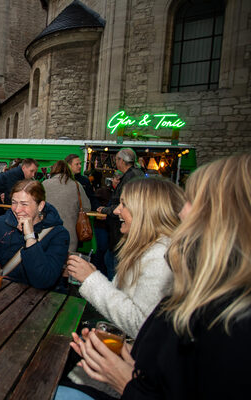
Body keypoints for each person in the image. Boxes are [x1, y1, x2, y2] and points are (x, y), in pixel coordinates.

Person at [68, 153, 251, 399]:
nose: (183, 212)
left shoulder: (231, 317)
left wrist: (127, 381)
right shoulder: (206, 286)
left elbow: (142, 324)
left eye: (193, 201)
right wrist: (123, 355)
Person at [56, 177, 184, 399]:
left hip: (132, 379)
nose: (116, 211)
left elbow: (141, 325)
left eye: (124, 205)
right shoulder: (146, 250)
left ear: (145, 211)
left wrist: (91, 279)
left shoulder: (160, 258)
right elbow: (121, 302)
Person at [0, 179, 69, 290]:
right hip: (3, 292)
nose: (17, 209)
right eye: (14, 202)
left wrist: (30, 237)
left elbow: (44, 281)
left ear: (40, 206)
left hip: (39, 299)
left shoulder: (58, 234)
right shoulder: (1, 224)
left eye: (24, 204)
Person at [97, 148, 143, 279]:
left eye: (116, 159)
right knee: (109, 259)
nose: (116, 162)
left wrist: (106, 210)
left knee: (113, 264)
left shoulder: (130, 177)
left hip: (122, 231)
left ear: (121, 160)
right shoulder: (136, 174)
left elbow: (125, 204)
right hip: (122, 231)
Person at [42, 160, 91, 252]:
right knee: (67, 262)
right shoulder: (76, 185)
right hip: (70, 233)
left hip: (47, 231)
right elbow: (87, 207)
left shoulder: (45, 184)